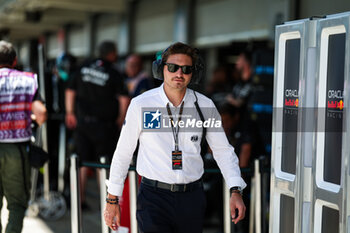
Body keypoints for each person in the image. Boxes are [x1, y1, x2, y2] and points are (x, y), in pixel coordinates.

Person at [104, 42, 246, 233]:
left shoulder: (205, 105)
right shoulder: (141, 104)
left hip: (192, 198)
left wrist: (235, 190)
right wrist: (112, 199)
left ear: (193, 74)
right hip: (153, 197)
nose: (179, 73)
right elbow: (123, 152)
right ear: (161, 69)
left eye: (186, 69)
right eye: (173, 67)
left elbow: (223, 151)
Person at [65, 41, 129, 209]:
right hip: (104, 126)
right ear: (112, 54)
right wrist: (122, 118)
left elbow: (70, 90)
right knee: (104, 164)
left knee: (82, 163)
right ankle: (107, 203)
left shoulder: (83, 67)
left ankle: (79, 201)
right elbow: (124, 98)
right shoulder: (114, 72)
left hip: (83, 123)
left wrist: (70, 113)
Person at [0, 40, 47, 233]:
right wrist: (32, 119)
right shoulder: (27, 80)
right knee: (17, 205)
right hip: (16, 150)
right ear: (15, 61)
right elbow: (41, 113)